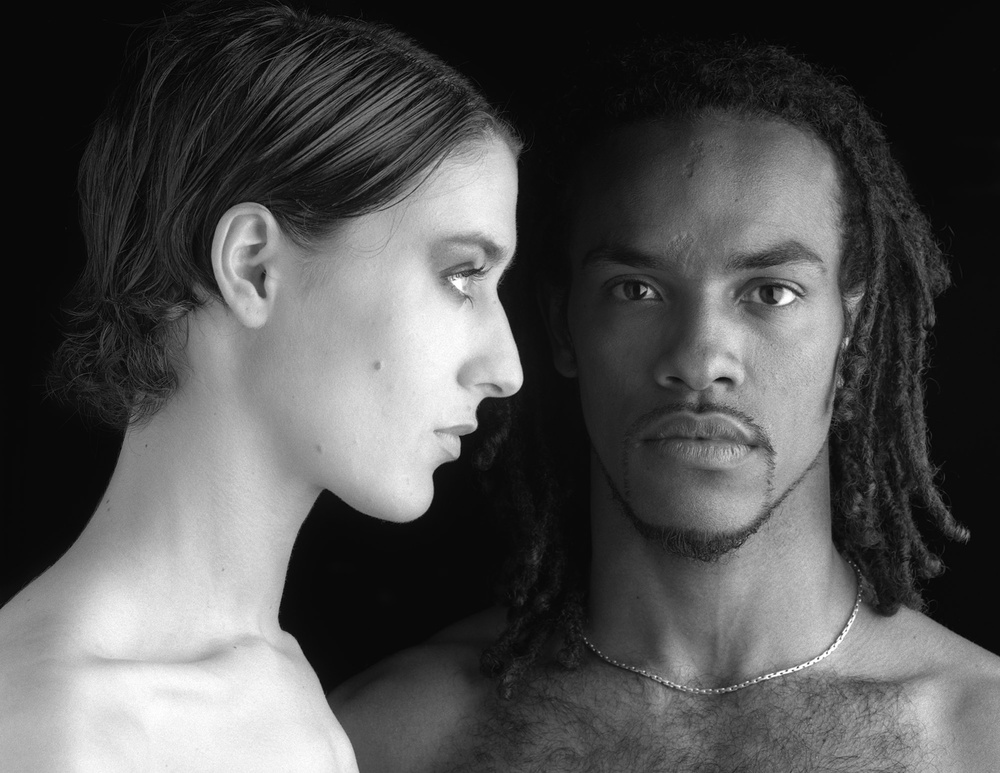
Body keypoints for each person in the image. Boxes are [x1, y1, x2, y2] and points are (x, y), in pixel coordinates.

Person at [330, 38, 1000, 772]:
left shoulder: (978, 736)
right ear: (562, 326)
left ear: (853, 332)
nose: (701, 359)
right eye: (637, 290)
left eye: (770, 292)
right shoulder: (388, 740)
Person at [0, 1, 523, 770]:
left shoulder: (278, 681)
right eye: (460, 275)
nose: (507, 366)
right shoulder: (59, 732)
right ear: (253, 266)